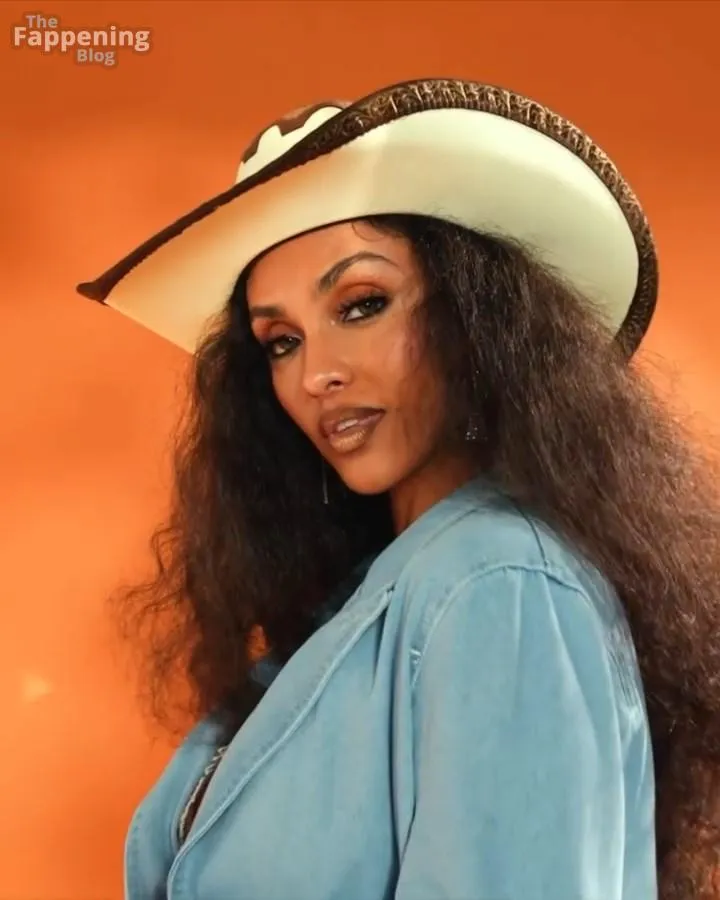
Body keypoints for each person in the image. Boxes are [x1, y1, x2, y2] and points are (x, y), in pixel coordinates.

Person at [76, 79, 720, 899]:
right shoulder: (376, 595)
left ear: (477, 316)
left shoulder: (500, 582)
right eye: (280, 342)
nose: (316, 374)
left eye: (361, 304)